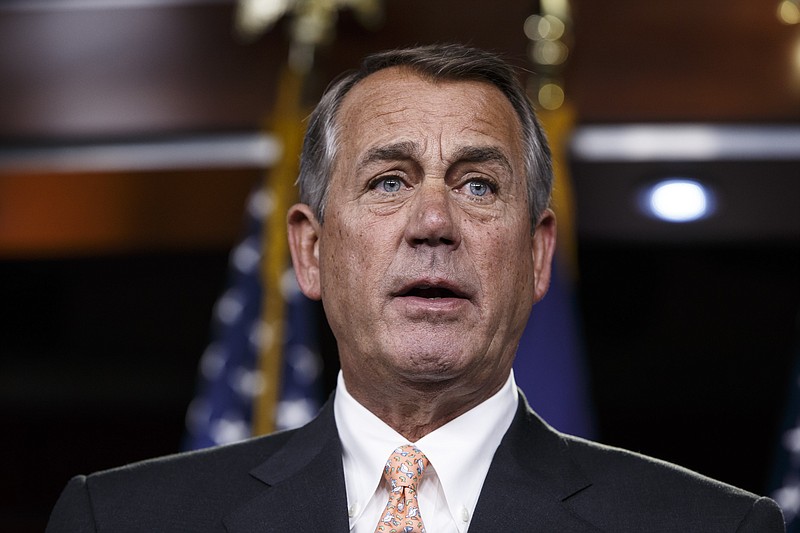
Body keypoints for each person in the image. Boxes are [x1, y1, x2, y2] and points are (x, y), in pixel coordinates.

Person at [47, 43, 784, 532]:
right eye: (388, 180)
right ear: (309, 249)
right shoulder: (120, 519)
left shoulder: (707, 525)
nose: (433, 221)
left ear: (536, 254)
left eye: (477, 183)